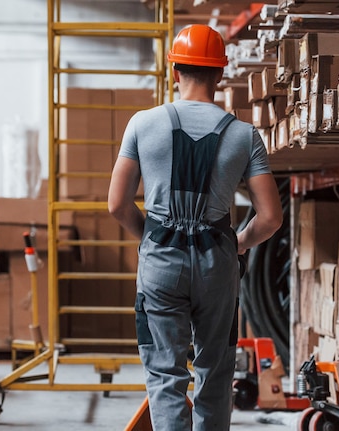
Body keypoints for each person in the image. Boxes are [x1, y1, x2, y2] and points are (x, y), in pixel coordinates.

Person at [108, 24, 283, 431]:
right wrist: (238, 242)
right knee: (215, 372)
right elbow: (271, 217)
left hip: (160, 263)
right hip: (216, 264)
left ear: (174, 71)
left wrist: (154, 238)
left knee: (166, 376)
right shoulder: (244, 136)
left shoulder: (141, 124)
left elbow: (117, 204)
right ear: (220, 75)